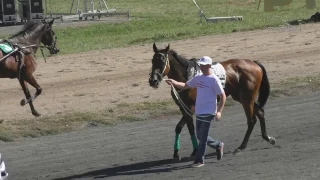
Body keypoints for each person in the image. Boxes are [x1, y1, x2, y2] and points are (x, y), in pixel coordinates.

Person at [165, 56, 226, 168]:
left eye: (203, 65)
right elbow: (185, 85)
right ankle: (218, 145)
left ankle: (199, 160)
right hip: (199, 111)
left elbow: (223, 96)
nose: (201, 67)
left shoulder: (214, 80)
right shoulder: (198, 78)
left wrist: (219, 111)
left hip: (209, 112)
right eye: (201, 65)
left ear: (208, 66)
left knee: (202, 138)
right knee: (200, 136)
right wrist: (174, 82)